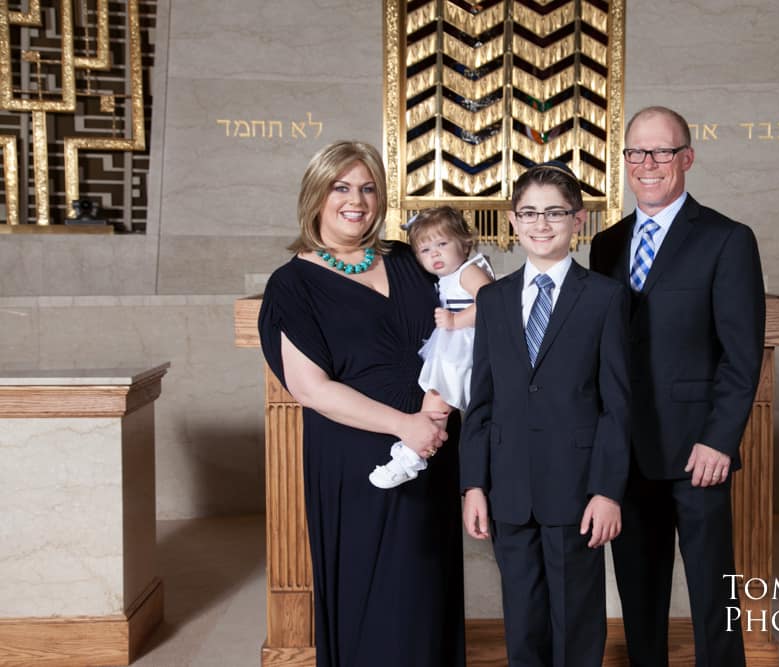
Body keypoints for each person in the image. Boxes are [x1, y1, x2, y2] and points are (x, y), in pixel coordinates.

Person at [256, 141, 466, 667]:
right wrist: (405, 426)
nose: (357, 200)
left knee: (426, 593)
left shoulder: (410, 260)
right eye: (342, 187)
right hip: (356, 460)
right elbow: (309, 388)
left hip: (433, 449)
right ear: (316, 195)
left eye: (369, 188)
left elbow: (466, 321)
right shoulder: (292, 284)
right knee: (373, 596)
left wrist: (435, 416)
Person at [590, 106, 766, 666]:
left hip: (698, 452)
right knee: (639, 595)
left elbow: (741, 355)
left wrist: (720, 438)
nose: (647, 164)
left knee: (714, 595)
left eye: (661, 152)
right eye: (636, 152)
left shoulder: (727, 239)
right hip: (629, 450)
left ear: (686, 158)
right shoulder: (605, 245)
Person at [461, 162, 631, 667]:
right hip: (508, 488)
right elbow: (481, 398)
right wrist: (473, 484)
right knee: (523, 617)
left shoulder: (605, 298)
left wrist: (607, 490)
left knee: (576, 619)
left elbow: (617, 404)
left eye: (554, 212)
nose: (541, 223)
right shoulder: (491, 300)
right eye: (529, 212)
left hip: (576, 489)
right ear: (512, 221)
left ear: (578, 221)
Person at [369, 207, 494, 488]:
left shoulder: (468, 271)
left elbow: (492, 301)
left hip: (467, 343)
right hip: (453, 342)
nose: (434, 254)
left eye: (442, 244)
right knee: (437, 396)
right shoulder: (446, 277)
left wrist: (455, 319)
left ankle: (413, 455)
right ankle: (418, 447)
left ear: (464, 243)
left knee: (438, 393)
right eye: (425, 250)